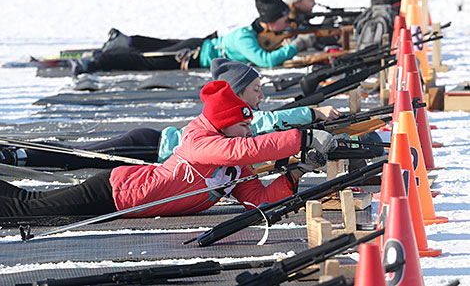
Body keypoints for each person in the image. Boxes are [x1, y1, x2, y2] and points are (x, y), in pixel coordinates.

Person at [0, 80, 336, 217]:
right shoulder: (199, 141)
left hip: (128, 201)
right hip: (116, 192)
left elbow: (257, 200)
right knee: (28, 210)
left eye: (248, 127)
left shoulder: (234, 168)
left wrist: (298, 171)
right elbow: (243, 152)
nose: (248, 132)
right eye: (244, 126)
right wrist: (302, 139)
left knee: (29, 205)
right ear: (224, 125)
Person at [1, 59, 340, 170]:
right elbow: (271, 124)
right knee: (83, 157)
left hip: (154, 146)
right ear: (236, 94)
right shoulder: (238, 117)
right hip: (151, 146)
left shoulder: (239, 117)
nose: (262, 97)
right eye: (255, 91)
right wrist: (312, 112)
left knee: (87, 159)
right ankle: (21, 153)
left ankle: (22, 152)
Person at [71, 0, 317, 75]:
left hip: (198, 47)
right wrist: (297, 45)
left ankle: (124, 42)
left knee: (160, 46)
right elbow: (266, 60)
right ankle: (95, 62)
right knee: (147, 61)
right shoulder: (245, 38)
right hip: (192, 55)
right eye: (284, 19)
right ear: (270, 21)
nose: (287, 23)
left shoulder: (254, 32)